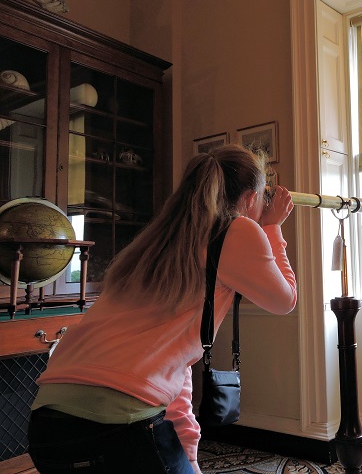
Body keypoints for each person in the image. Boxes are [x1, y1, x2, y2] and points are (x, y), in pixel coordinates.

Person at [27, 145, 297, 474]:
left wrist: (189, 456)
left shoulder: (158, 242)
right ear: (250, 199)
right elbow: (285, 300)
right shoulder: (237, 230)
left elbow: (174, 368)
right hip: (115, 420)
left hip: (47, 421)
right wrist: (273, 227)